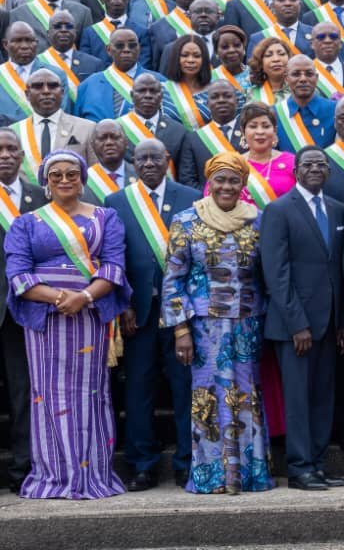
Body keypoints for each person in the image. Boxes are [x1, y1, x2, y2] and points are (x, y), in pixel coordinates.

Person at [5, 150, 129, 498]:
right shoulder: (26, 223)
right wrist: (60, 298)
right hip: (45, 321)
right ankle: (54, 477)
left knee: (91, 393)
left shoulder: (107, 218)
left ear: (82, 178)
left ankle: (93, 475)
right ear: (45, 180)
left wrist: (84, 297)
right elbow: (17, 275)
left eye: (71, 173)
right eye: (55, 174)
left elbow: (114, 267)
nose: (63, 179)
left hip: (90, 317)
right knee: (48, 394)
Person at [161, 152, 275, 493]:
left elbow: (265, 274)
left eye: (234, 180)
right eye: (220, 180)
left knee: (246, 396)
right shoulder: (186, 221)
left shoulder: (258, 220)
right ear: (209, 183)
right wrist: (181, 330)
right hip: (204, 328)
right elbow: (173, 278)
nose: (227, 186)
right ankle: (212, 476)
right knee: (208, 396)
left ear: (243, 184)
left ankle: (249, 475)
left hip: (247, 324)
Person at [105, 139, 200, 491]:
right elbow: (112, 259)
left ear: (167, 160)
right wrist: (124, 304)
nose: (148, 163)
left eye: (154, 157)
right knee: (139, 391)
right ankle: (141, 465)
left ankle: (187, 463)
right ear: (134, 162)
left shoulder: (191, 197)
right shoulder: (117, 202)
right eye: (141, 158)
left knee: (185, 389)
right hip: (139, 315)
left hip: (183, 315)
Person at [261, 145, 344, 491]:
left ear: (328, 171)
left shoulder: (337, 209)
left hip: (329, 323)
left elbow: (341, 270)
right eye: (307, 164)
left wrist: (341, 322)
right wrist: (297, 323)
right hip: (293, 326)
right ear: (295, 171)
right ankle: (299, 468)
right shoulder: (278, 210)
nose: (315, 168)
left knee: (323, 397)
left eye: (321, 164)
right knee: (297, 398)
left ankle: (318, 463)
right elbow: (276, 273)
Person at [0, 128, 46, 493]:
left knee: (22, 391)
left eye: (11, 148)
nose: (4, 154)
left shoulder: (39, 197)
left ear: (22, 155)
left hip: (25, 311)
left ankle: (23, 468)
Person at [239, 102, 296, 210]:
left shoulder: (292, 162)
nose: (260, 131)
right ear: (243, 131)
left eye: (266, 126)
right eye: (253, 126)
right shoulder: (232, 164)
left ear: (274, 130)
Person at [274, 56, 336, 153]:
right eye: (296, 74)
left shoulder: (334, 110)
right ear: (286, 79)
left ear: (316, 78)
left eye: (309, 74)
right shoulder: (274, 114)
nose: (303, 79)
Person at [160, 34, 212, 131]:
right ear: (176, 58)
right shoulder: (162, 90)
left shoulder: (216, 90)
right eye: (184, 55)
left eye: (196, 56)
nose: (190, 60)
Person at [84, 120, 136, 202]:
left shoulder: (140, 176)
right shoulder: (83, 180)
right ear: (92, 145)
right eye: (102, 138)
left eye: (115, 137)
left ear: (126, 142)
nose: (109, 142)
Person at [246, 36, 294, 105]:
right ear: (260, 63)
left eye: (281, 54)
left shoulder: (298, 88)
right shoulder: (252, 92)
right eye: (268, 55)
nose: (276, 59)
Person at [211, 25, 250, 93]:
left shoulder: (255, 75)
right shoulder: (210, 79)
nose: (231, 50)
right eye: (225, 47)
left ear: (243, 48)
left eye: (237, 45)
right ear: (216, 52)